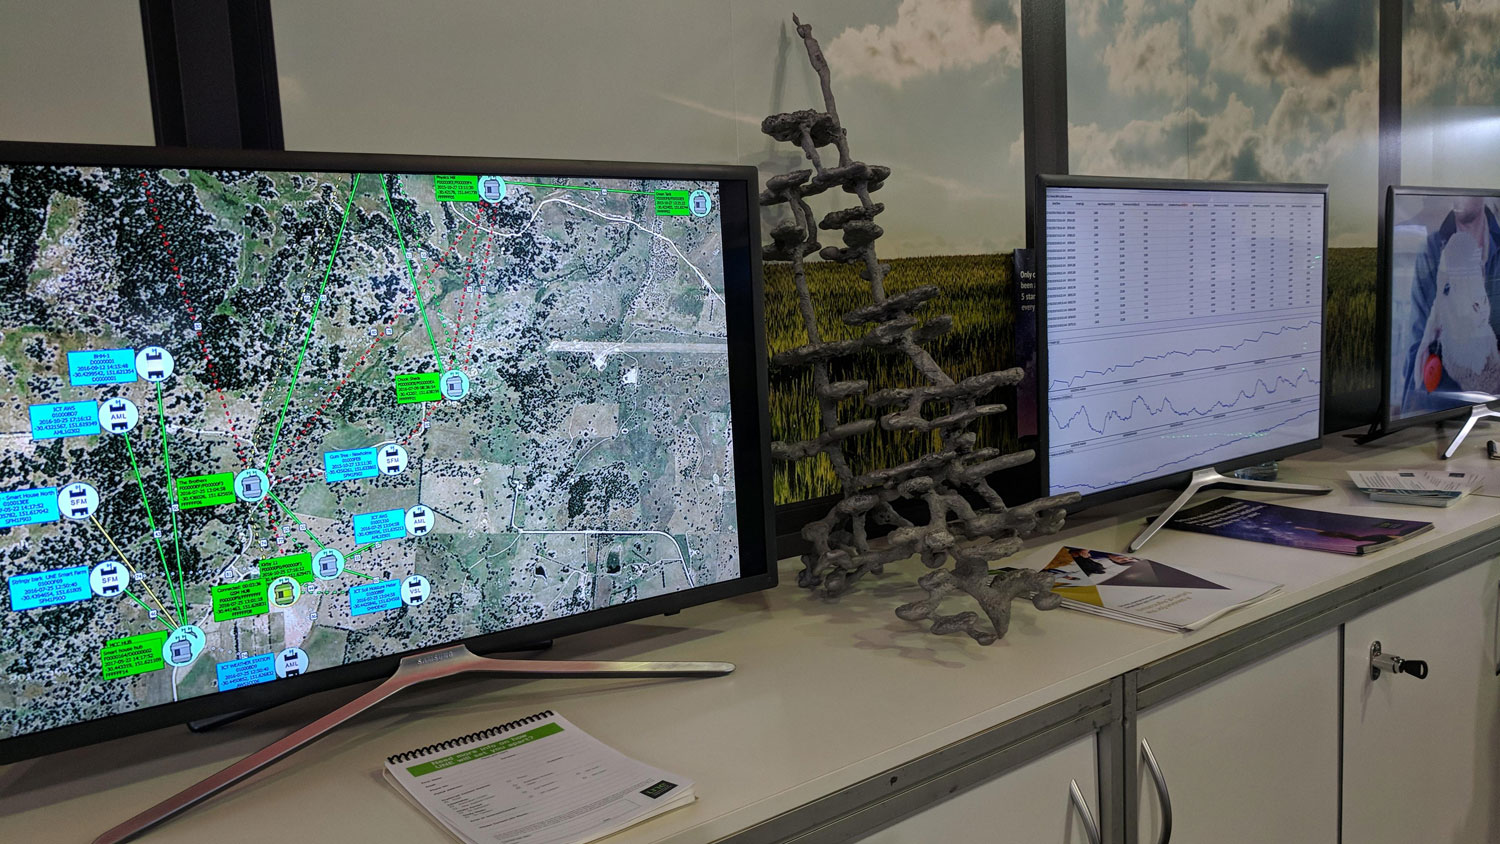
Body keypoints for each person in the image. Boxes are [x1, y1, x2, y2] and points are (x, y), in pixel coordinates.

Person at [1401, 196, 1500, 413]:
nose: (1458, 198)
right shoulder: (1430, 251)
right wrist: (1410, 415)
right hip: (1446, 411)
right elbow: (1419, 338)